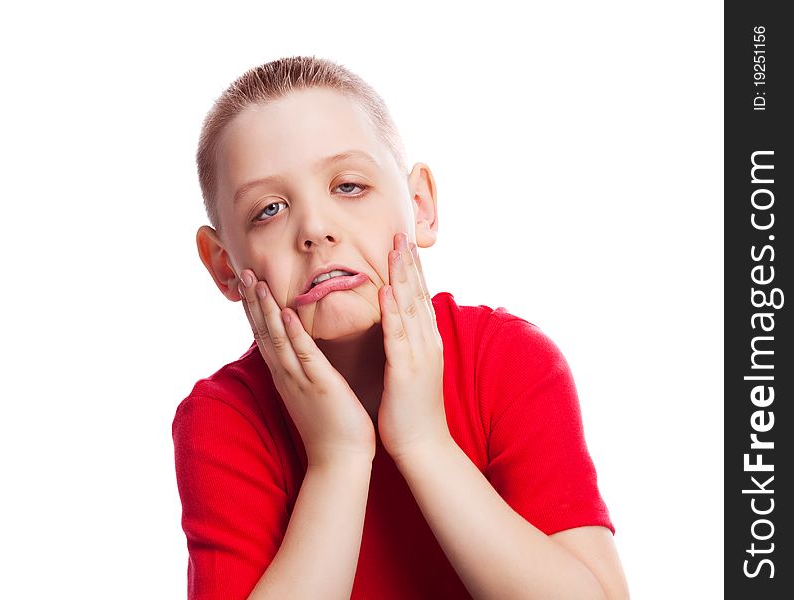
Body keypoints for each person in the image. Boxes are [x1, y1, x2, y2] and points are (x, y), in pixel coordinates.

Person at [173, 55, 630, 599]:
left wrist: (424, 441)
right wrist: (337, 458)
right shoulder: (225, 418)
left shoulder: (506, 359)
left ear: (420, 206)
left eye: (348, 186)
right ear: (225, 266)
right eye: (269, 209)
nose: (315, 229)